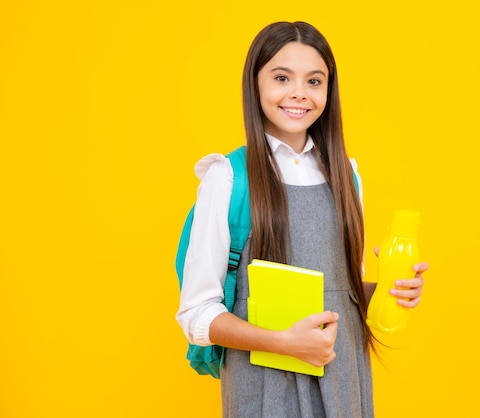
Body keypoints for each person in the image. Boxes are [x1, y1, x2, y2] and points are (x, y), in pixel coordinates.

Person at [176, 21, 428, 417]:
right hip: (264, 388)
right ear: (254, 84)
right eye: (281, 77)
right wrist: (283, 342)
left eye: (314, 81)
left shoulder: (347, 174)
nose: (299, 93)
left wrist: (387, 290)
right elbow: (197, 316)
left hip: (343, 378)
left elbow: (338, 292)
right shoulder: (227, 178)